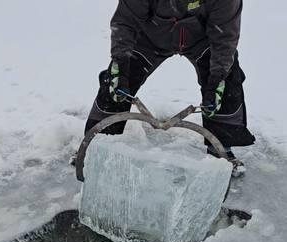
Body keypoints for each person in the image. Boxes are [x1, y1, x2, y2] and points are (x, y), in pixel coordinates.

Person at [80, 0, 255, 169]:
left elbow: (224, 39)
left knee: (225, 81)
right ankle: (98, 142)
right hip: (150, 37)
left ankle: (221, 148)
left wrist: (217, 79)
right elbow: (126, 22)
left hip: (203, 39)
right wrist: (120, 63)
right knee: (116, 82)